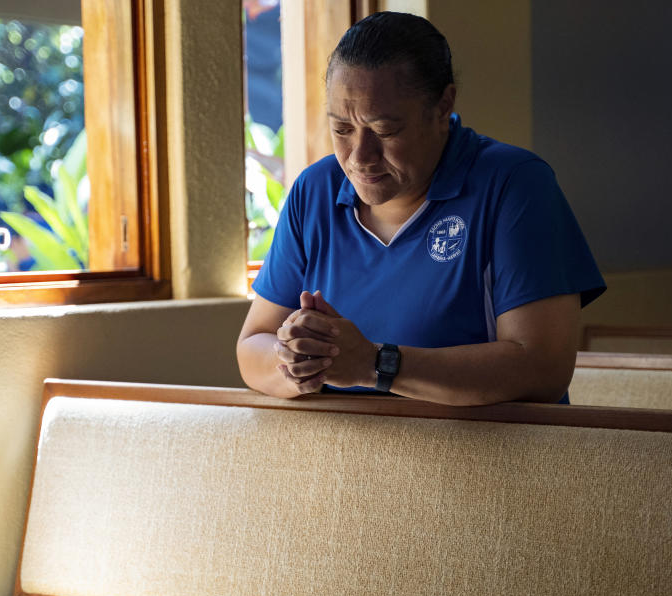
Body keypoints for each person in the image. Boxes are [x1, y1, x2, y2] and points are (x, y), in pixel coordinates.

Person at [236, 12, 605, 406]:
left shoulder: (514, 185)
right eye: (342, 129)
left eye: (385, 130)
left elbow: (543, 368)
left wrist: (377, 365)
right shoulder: (315, 191)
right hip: (341, 460)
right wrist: (295, 361)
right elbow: (252, 346)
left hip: (490, 461)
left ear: (443, 106)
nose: (360, 157)